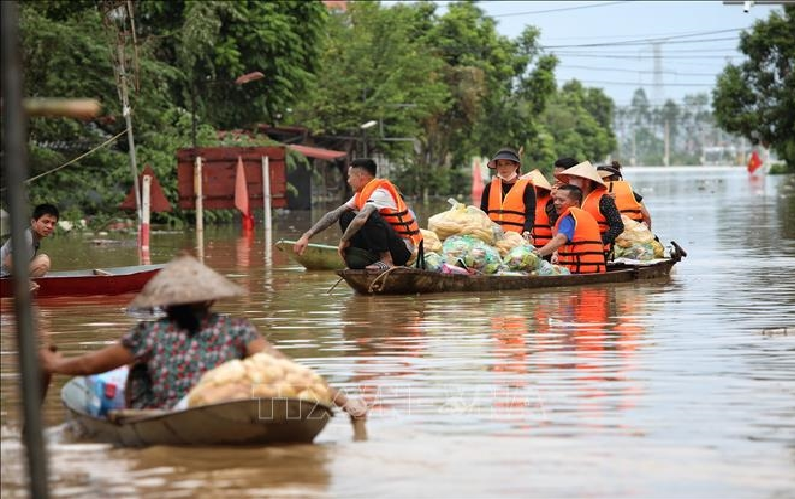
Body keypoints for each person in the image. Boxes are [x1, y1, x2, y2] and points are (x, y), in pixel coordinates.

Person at [39, 255, 367, 420]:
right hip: (224, 410)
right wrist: (344, 401)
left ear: (164, 301)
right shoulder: (237, 330)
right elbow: (289, 370)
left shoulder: (150, 334)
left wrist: (53, 363)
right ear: (211, 299)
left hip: (163, 415)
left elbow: (88, 365)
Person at [294, 158, 422, 271]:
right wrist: (307, 236)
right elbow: (333, 215)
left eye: (350, 176)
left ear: (360, 176)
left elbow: (361, 219)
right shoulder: (359, 195)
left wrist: (343, 240)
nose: (348, 181)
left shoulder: (381, 192)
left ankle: (386, 261)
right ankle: (358, 257)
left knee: (369, 216)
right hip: (383, 245)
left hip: (401, 251)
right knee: (346, 215)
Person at [555, 160, 624, 258]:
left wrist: (600, 242)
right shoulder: (568, 200)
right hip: (571, 252)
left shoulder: (604, 200)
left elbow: (618, 226)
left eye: (575, 178)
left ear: (586, 181)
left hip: (597, 253)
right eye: (570, 178)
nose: (571, 180)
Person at [534, 185, 606, 274]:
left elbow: (559, 240)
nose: (556, 203)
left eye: (561, 200)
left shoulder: (569, 217)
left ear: (575, 203)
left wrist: (536, 254)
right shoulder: (588, 217)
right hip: (596, 270)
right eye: (555, 199)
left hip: (577, 271)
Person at [480, 148, 535, 238]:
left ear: (515, 166)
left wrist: (526, 232)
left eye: (507, 164)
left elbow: (530, 214)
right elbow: (483, 213)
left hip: (516, 237)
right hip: (492, 237)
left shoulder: (527, 186)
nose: (503, 168)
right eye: (500, 165)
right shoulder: (489, 186)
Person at [0, 203, 59, 278]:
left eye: (53, 223)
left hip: (8, 275)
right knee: (43, 261)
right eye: (45, 222)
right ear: (33, 222)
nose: (49, 226)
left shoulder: (35, 239)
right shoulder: (27, 237)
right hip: (2, 276)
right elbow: (9, 262)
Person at [597, 163, 653, 229]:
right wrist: (649, 233)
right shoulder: (630, 193)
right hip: (630, 231)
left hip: (605, 233)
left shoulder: (592, 194)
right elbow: (647, 216)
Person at [520, 169, 555, 248]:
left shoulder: (550, 203)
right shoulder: (521, 202)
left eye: (533, 187)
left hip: (546, 247)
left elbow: (555, 229)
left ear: (540, 188)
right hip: (526, 247)